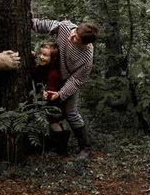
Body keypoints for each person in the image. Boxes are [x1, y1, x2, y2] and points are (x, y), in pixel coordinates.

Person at [32, 18, 99, 159]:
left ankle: (85, 147)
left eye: (75, 39)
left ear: (85, 43)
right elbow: (47, 25)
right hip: (54, 75)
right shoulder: (66, 28)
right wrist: (30, 22)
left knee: (71, 113)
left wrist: (61, 94)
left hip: (69, 81)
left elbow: (76, 80)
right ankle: (59, 147)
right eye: (74, 33)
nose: (71, 37)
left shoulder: (86, 58)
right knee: (51, 113)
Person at [31, 42, 69, 155]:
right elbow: (35, 73)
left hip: (54, 103)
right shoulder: (44, 67)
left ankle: (62, 150)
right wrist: (32, 58)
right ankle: (52, 145)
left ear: (52, 58)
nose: (41, 57)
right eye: (40, 54)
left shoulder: (53, 73)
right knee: (50, 123)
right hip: (49, 101)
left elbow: (52, 88)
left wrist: (46, 93)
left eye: (45, 55)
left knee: (54, 123)